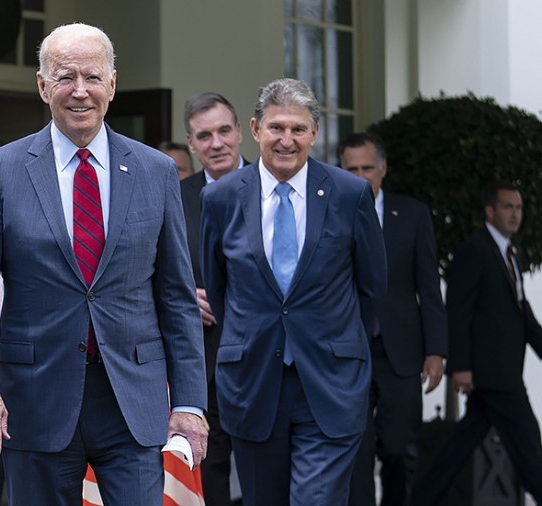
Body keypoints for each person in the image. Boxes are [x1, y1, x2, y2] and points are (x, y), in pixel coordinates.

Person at [0, 22, 209, 505]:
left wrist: (190, 402)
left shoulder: (155, 171)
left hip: (132, 400)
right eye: (65, 77)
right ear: (43, 86)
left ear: (112, 83)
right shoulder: (1, 172)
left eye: (92, 77)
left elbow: (176, 296)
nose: (80, 91)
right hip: (33, 401)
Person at [200, 78, 387, 505]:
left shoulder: (349, 193)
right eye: (276, 127)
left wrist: (337, 338)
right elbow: (220, 286)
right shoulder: (223, 198)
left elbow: (372, 287)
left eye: (298, 129)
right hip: (253, 383)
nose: (287, 140)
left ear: (315, 134)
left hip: (329, 382)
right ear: (255, 129)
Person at [411, 181, 542, 505]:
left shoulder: (510, 254)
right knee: (528, 445)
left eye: (518, 207)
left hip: (502, 372)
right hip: (492, 374)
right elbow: (458, 311)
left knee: (460, 447)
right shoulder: (475, 249)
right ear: (490, 211)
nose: (515, 214)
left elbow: (522, 313)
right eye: (508, 207)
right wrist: (461, 367)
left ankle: (420, 499)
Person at [339, 132, 447, 506]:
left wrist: (436, 350)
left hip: (399, 350)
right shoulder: (331, 212)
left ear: (383, 169)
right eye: (351, 169)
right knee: (356, 449)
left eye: (367, 168)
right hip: (347, 350)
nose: (360, 176)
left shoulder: (412, 213)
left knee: (399, 448)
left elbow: (428, 287)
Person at [180, 91, 246, 506]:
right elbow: (148, 271)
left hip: (266, 362)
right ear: (191, 144)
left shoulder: (273, 188)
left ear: (242, 132)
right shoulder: (174, 194)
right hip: (201, 365)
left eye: (224, 131)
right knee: (211, 480)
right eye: (204, 136)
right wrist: (185, 300)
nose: (216, 143)